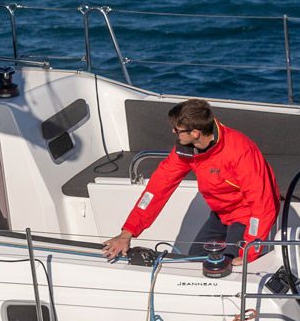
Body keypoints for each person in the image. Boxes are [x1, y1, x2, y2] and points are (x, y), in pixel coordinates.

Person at [102, 99, 280, 277]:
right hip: (220, 215)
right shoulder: (187, 150)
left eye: (177, 130)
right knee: (194, 263)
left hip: (246, 216)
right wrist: (127, 232)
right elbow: (157, 189)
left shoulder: (240, 151)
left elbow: (262, 205)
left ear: (195, 133)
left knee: (229, 269)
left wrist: (250, 251)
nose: (173, 132)